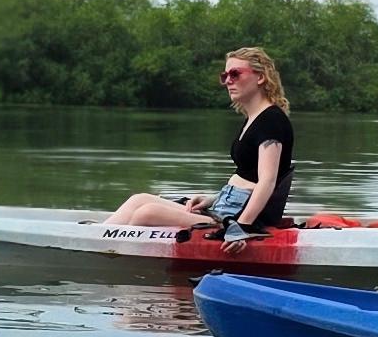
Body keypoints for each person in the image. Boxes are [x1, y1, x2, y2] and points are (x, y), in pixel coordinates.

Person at [115, 45, 296, 240]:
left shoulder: (271, 120)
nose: (228, 81)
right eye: (224, 75)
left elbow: (267, 181)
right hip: (224, 205)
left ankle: (108, 250)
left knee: (147, 213)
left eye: (235, 74)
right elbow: (248, 175)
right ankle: (93, 236)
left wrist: (240, 227)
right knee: (139, 199)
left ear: (260, 77)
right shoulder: (254, 118)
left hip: (233, 217)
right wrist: (213, 199)